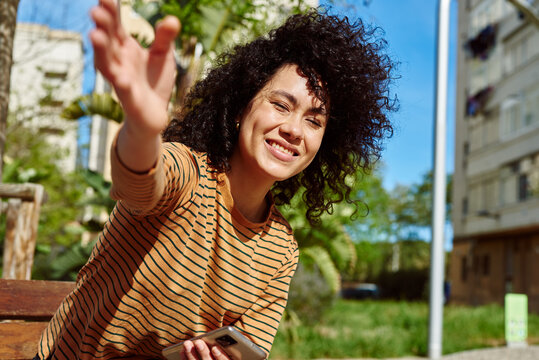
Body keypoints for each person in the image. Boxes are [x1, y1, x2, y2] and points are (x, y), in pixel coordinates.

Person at [35, 0, 395, 359]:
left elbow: (247, 350)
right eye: (281, 105)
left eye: (314, 121)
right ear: (241, 109)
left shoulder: (282, 250)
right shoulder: (188, 174)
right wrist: (142, 128)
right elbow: (138, 182)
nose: (293, 129)